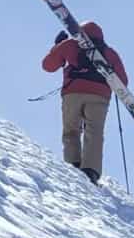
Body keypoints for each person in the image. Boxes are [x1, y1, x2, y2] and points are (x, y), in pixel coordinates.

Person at [39, 22, 128, 184]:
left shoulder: (70, 45)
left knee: (71, 130)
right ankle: (91, 171)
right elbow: (122, 82)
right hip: (100, 97)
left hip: (73, 93)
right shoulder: (109, 53)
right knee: (94, 132)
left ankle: (73, 164)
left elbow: (48, 66)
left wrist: (57, 46)